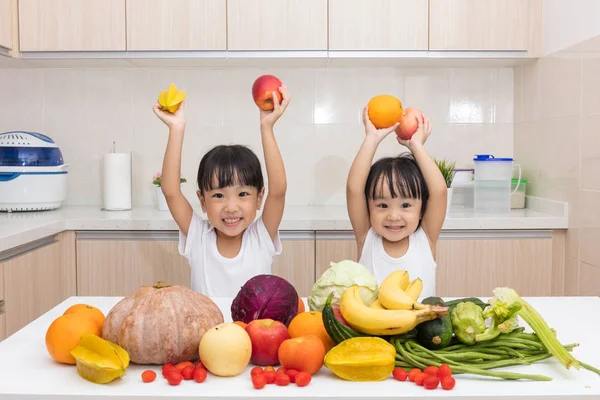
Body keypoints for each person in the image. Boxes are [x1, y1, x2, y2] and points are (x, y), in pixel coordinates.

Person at [153, 86, 291, 297]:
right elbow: (171, 191)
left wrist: (267, 127)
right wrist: (176, 129)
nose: (231, 207)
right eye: (218, 195)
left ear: (259, 198)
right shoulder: (199, 237)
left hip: (253, 331)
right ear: (202, 201)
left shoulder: (260, 238)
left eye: (243, 194)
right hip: (207, 330)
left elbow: (279, 191)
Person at [346, 106, 447, 298]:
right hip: (373, 328)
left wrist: (416, 146)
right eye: (382, 205)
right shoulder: (366, 237)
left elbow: (439, 191)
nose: (393, 216)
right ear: (368, 207)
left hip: (421, 327)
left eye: (406, 205)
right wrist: (372, 138)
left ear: (421, 210)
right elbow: (354, 189)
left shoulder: (426, 238)